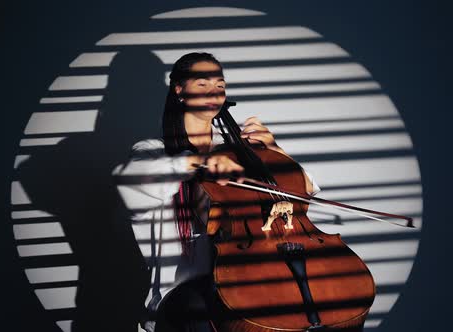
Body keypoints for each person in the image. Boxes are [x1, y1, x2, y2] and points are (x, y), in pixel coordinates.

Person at [113, 52, 320, 332]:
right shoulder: (153, 151)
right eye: (202, 84)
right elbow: (130, 183)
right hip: (184, 297)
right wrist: (199, 162)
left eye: (220, 85)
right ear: (179, 90)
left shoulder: (239, 151)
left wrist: (274, 152)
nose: (214, 92)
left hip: (252, 278)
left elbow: (304, 191)